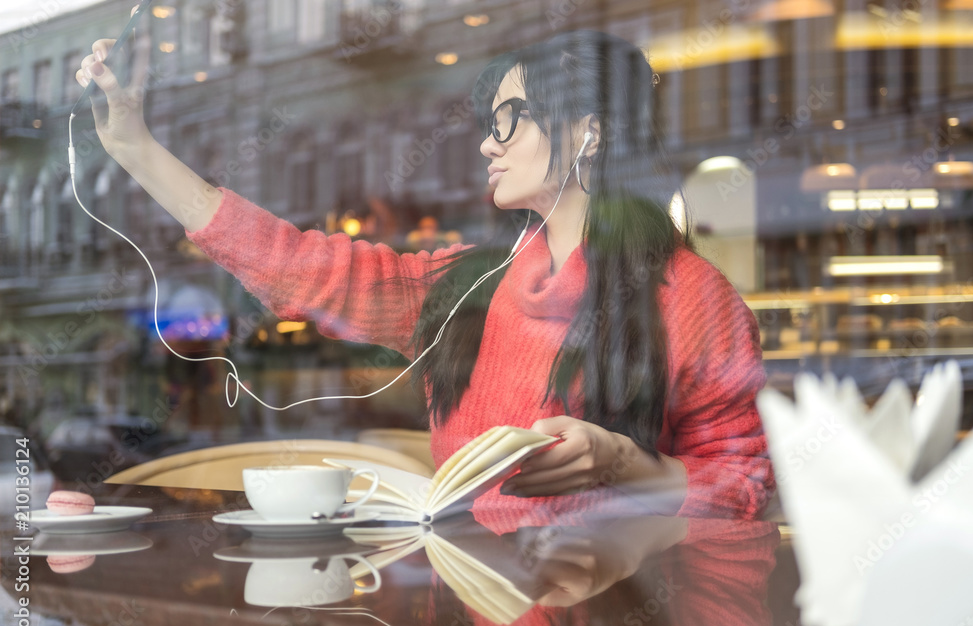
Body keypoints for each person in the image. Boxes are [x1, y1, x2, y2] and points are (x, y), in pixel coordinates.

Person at [76, 29, 773, 519]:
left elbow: (742, 485)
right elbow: (299, 267)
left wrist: (625, 463)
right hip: (469, 613)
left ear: (588, 131)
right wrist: (136, 148)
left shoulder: (694, 298)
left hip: (612, 624)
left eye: (510, 120)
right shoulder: (469, 284)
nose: (484, 143)